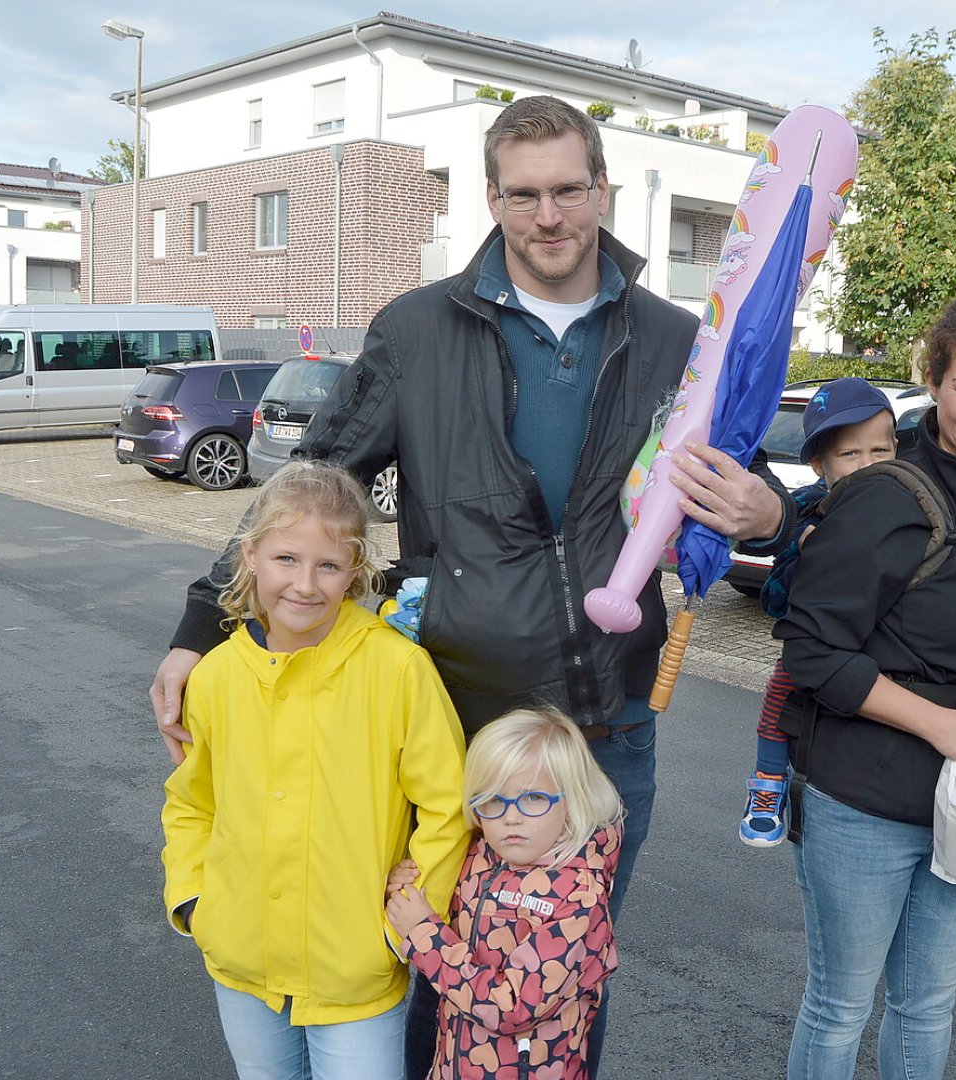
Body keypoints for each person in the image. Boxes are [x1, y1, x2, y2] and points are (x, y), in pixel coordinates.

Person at [148, 94, 794, 1078]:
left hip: (601, 725)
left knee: (565, 986)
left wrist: (767, 514)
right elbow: (310, 484)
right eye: (523, 195)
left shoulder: (674, 339)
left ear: (602, 188)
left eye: (568, 190)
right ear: (491, 199)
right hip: (446, 722)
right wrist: (204, 622)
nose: (548, 217)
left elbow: (748, 469)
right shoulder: (415, 330)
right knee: (426, 961)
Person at [775, 293, 956, 1080]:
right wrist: (937, 725)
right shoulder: (882, 497)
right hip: (862, 797)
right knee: (841, 1003)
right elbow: (811, 650)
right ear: (932, 383)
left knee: (928, 1002)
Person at [160, 461, 471, 1080]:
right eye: (285, 560)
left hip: (353, 969)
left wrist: (398, 925)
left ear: (355, 570)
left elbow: (449, 804)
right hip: (242, 961)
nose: (304, 585)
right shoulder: (218, 677)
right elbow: (192, 802)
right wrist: (196, 901)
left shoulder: (397, 670)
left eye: (328, 565)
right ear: (249, 556)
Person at [386, 708, 623, 1080]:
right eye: (493, 801)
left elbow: (511, 1007)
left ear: (572, 799)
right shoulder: (479, 856)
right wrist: (406, 886)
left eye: (533, 798)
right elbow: (439, 909)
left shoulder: (579, 898)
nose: (511, 817)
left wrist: (423, 934)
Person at [740, 378, 896, 847]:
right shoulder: (808, 512)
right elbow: (773, 598)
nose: (866, 466)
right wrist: (804, 555)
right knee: (777, 700)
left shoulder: (910, 505)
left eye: (879, 452)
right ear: (818, 465)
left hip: (881, 652)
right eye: (850, 456)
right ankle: (767, 784)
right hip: (815, 644)